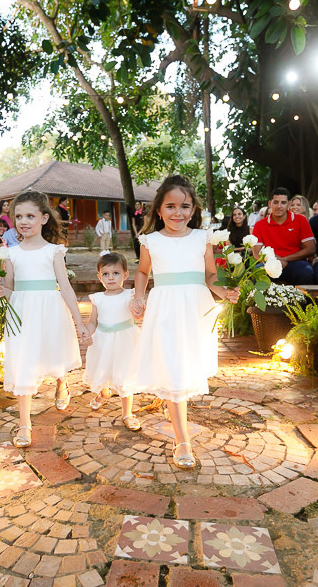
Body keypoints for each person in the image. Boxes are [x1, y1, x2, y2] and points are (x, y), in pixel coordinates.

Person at [126, 176, 239, 469]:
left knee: (185, 365)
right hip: (164, 308)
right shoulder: (150, 241)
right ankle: (183, 442)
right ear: (159, 210)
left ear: (193, 209)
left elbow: (210, 275)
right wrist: (139, 297)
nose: (178, 213)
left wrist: (224, 291)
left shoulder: (202, 238)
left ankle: (173, 404)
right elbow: (142, 273)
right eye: (171, 206)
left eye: (185, 206)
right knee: (174, 370)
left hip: (195, 308)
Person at [0, 191, 89, 448]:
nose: (24, 221)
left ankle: (61, 382)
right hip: (22, 312)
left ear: (44, 218)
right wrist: (2, 291)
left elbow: (65, 287)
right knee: (23, 361)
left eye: (30, 216)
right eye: (19, 216)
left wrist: (79, 322)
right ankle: (25, 424)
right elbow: (10, 287)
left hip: (49, 309)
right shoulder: (11, 254)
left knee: (53, 352)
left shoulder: (54, 251)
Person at [84, 252, 142, 430]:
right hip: (103, 340)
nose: (111, 278)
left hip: (125, 340)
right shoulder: (98, 299)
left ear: (125, 275)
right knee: (103, 369)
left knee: (124, 375)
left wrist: (137, 311)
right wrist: (88, 332)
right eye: (106, 274)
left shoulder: (130, 295)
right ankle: (104, 393)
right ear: (99, 277)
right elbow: (93, 321)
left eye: (116, 273)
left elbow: (136, 315)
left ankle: (127, 413)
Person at [251, 188, 316, 285]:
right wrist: (277, 260)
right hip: (270, 263)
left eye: (283, 203)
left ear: (289, 204)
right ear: (270, 204)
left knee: (306, 271)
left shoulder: (300, 220)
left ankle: (306, 300)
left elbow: (311, 249)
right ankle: (260, 300)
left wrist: (284, 259)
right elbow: (256, 254)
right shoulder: (260, 225)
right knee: (256, 273)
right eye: (276, 202)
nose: (279, 206)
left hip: (296, 262)